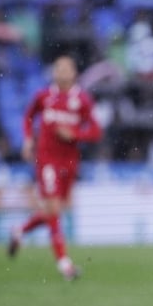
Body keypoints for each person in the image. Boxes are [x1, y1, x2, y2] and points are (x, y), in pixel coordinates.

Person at [8, 55, 102, 280]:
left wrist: (75, 134)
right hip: (46, 159)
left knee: (56, 210)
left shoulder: (82, 100)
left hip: (69, 161)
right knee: (53, 208)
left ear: (74, 73)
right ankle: (64, 265)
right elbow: (28, 117)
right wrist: (28, 139)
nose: (61, 72)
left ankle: (20, 230)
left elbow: (96, 131)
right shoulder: (44, 96)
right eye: (58, 68)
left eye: (65, 69)